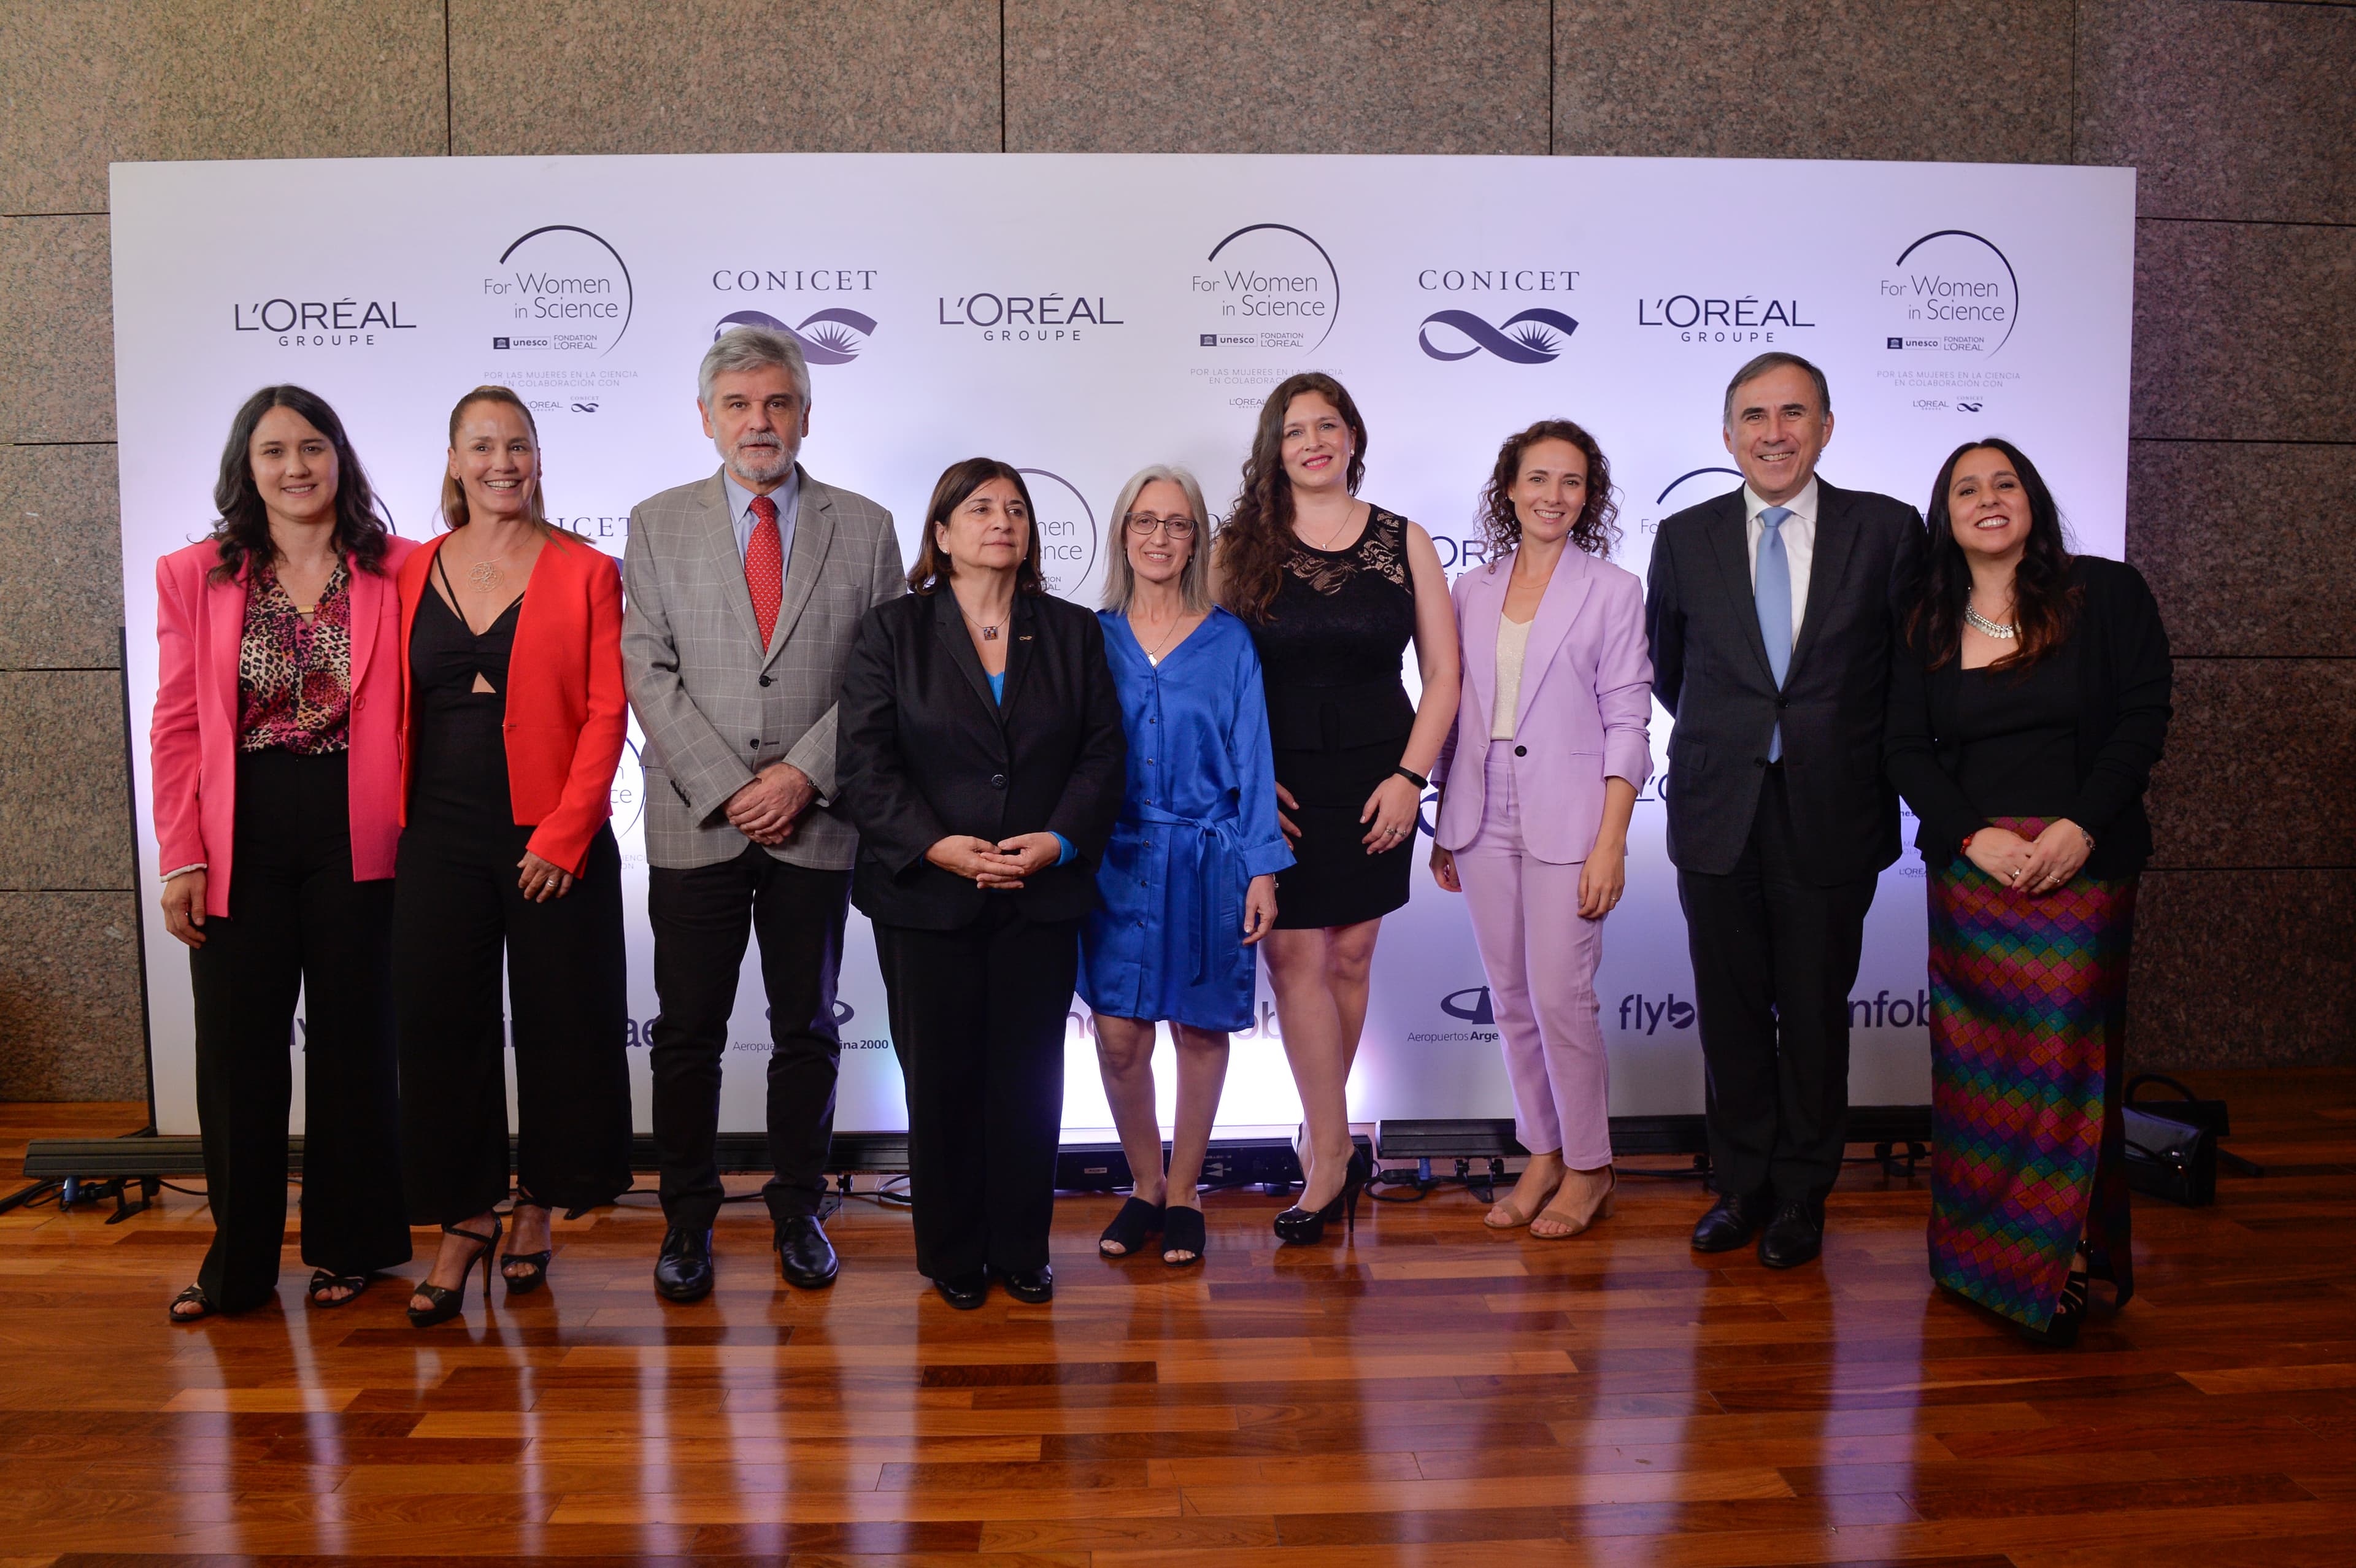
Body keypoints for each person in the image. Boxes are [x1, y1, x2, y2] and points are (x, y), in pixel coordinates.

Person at [623, 327, 906, 1304]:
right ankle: (687, 1221)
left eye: (778, 403)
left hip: (815, 821)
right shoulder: (657, 523)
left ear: (806, 417)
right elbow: (647, 669)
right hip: (695, 820)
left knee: (808, 1031)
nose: (759, 422)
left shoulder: (865, 527)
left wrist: (799, 778)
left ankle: (798, 1210)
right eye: (739, 405)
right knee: (686, 1035)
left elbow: (879, 679)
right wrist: (729, 786)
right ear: (707, 418)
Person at [1888, 439, 2171, 1347]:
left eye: (2004, 483)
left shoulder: (2107, 594)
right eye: (1966, 489)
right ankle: (1979, 1263)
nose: (1988, 498)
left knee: (2063, 1072)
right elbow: (1903, 751)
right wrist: (1974, 839)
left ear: (2033, 500)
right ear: (1946, 518)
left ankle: (2059, 1263)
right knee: (1980, 1079)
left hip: (2082, 867)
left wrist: (2079, 827)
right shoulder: (1925, 621)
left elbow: (2144, 718)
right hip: (1976, 880)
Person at [1644, 352, 1924, 1270]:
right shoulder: (1683, 537)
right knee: (1729, 1013)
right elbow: (1672, 671)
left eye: (1793, 414)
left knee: (1813, 1013)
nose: (1775, 433)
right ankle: (1741, 1185)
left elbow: (1907, 673)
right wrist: (1744, 735)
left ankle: (1803, 1193)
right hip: (1718, 807)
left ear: (1826, 427)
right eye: (1755, 417)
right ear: (1728, 436)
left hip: (1832, 808)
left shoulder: (1887, 530)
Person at [836, 459, 1125, 1310]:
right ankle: (954, 1252)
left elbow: (1103, 753)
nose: (1002, 521)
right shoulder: (892, 631)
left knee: (1029, 1081)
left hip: (1041, 892)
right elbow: (864, 764)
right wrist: (937, 847)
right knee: (941, 1082)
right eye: (980, 508)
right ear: (941, 533)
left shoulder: (1071, 631)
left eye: (1015, 509)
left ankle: (1021, 1248)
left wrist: (1060, 841)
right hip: (928, 897)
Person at [151, 386, 414, 1320]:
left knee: (355, 1042)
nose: (296, 467)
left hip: (360, 821)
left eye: (312, 447)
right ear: (247, 468)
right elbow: (177, 725)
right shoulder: (194, 574)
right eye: (274, 452)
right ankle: (237, 1268)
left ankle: (353, 1245)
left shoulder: (401, 568)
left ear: (340, 457)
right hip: (241, 827)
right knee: (236, 1052)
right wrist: (181, 855)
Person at [392, 385, 632, 1327]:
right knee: (440, 1030)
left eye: (519, 445)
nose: (503, 463)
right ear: (454, 462)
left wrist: (565, 835)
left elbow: (608, 711)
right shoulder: (410, 569)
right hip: (434, 832)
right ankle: (465, 1218)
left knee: (564, 1026)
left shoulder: (588, 570)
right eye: (483, 446)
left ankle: (540, 1203)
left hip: (551, 834)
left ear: (539, 458)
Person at [1215, 372, 1460, 1246]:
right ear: (1273, 449)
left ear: (1353, 436)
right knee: (1292, 959)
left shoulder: (1404, 539)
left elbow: (1445, 676)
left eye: (1327, 425)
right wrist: (1245, 785)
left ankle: (1322, 1133)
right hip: (1277, 779)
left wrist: (1410, 778)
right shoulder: (1239, 546)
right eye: (1294, 430)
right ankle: (1332, 1154)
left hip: (1377, 774)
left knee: (1351, 957)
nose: (1313, 442)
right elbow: (1214, 675)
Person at [1429, 420, 1652, 1239]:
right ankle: (1544, 1154)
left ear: (1588, 497)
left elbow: (1629, 718)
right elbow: (1454, 706)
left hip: (1572, 815)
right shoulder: (1471, 588)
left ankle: (1591, 1168)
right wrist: (1444, 818)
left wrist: (1612, 840)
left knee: (1562, 996)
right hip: (1481, 809)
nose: (1553, 496)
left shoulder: (1614, 589)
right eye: (1538, 479)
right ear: (1509, 489)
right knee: (1514, 999)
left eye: (1571, 481)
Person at [1081, 465, 1290, 1268]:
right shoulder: (1090, 638)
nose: (1160, 537)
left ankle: (1184, 1192)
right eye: (1145, 521)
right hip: (1114, 861)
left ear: (1197, 539)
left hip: (1209, 858)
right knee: (1119, 1037)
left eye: (1177, 523)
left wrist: (1262, 869)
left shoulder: (1229, 641)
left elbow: (1253, 757)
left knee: (1200, 1030)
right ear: (1122, 533)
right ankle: (1143, 1184)